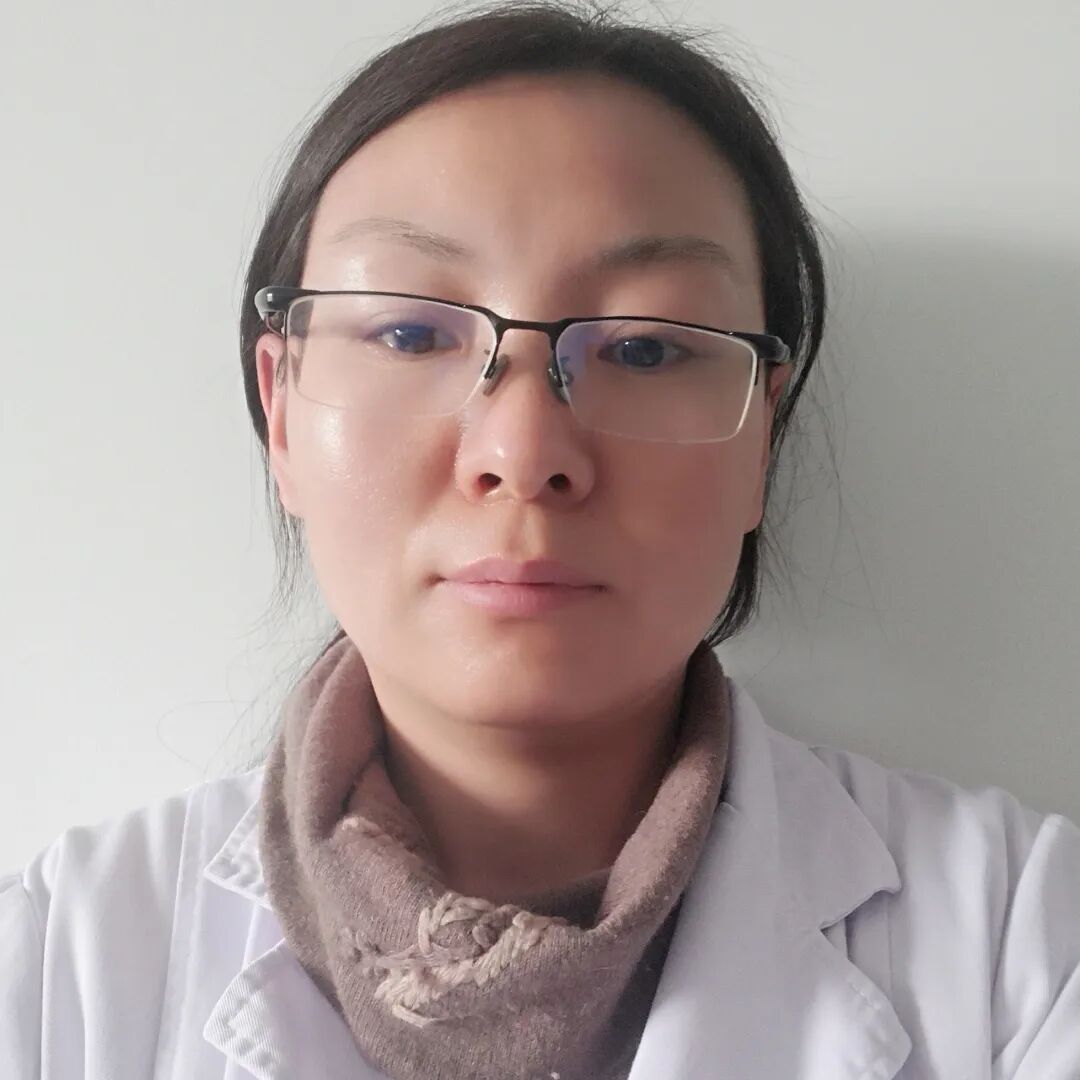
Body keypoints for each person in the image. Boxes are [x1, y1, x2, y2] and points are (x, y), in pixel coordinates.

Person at [3, 2, 1078, 1078]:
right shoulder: (52, 961)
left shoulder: (1026, 945)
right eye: (410, 331)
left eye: (647, 348)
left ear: (762, 433)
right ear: (281, 414)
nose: (524, 454)